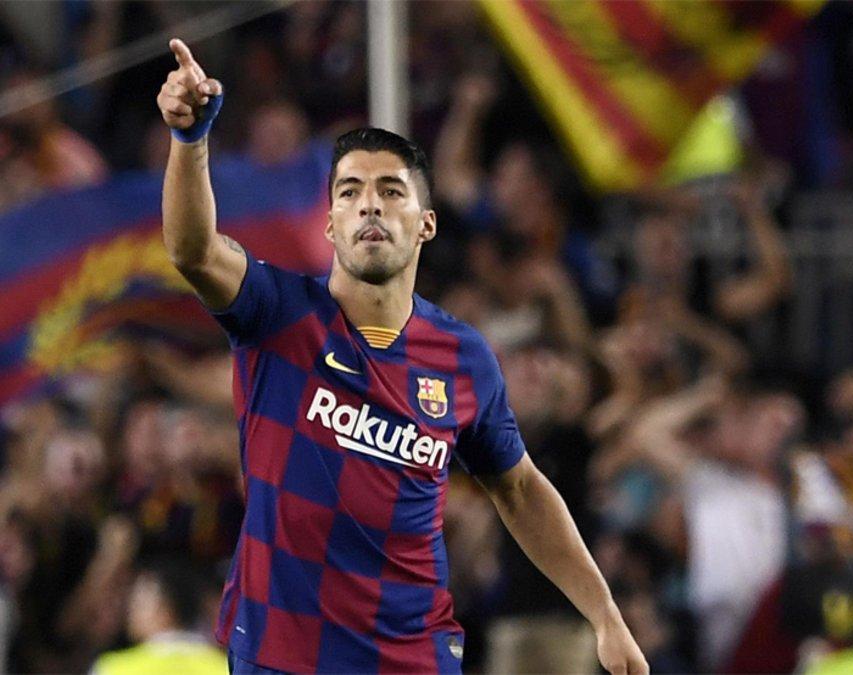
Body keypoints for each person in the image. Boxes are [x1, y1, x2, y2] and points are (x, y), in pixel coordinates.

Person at [155, 39, 647, 675]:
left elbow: (520, 488)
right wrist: (191, 143)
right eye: (351, 191)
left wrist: (605, 612)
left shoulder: (463, 357)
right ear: (330, 222)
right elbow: (193, 250)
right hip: (283, 653)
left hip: (411, 658)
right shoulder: (278, 312)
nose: (370, 204)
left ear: (427, 224)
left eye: (391, 191)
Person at [90, 559, 227, 675]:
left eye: (138, 602)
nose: (129, 612)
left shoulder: (114, 669)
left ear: (165, 608)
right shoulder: (228, 669)